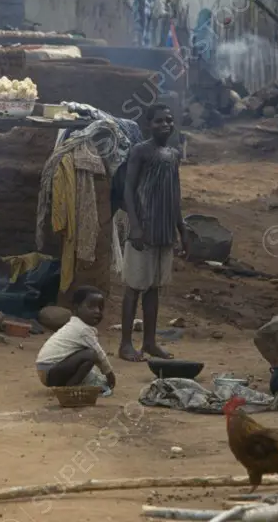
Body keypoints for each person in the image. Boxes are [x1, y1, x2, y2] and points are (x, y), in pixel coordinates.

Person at [119, 103, 190, 362]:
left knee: (154, 288)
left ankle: (149, 342)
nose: (166, 125)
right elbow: (128, 189)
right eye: (159, 121)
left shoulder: (173, 154)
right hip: (143, 229)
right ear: (148, 124)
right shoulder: (140, 151)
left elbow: (175, 194)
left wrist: (181, 229)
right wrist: (135, 225)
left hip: (164, 231)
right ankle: (125, 344)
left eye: (169, 121)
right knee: (133, 287)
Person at [35, 286, 116, 395]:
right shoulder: (82, 329)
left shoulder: (76, 325)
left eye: (100, 308)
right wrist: (110, 375)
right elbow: (99, 355)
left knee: (88, 356)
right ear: (76, 308)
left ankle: (72, 385)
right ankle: (70, 389)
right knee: (91, 355)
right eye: (91, 307)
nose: (97, 311)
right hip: (50, 370)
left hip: (48, 370)